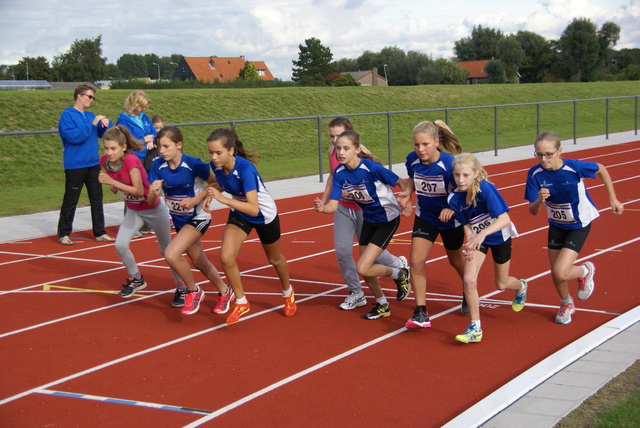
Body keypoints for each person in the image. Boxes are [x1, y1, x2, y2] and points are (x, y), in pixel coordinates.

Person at [524, 131, 624, 324]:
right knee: (556, 273)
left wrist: (613, 198)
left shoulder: (574, 167)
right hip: (556, 223)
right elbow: (532, 211)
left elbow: (601, 169)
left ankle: (585, 271)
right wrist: (539, 200)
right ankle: (566, 303)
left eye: (548, 154)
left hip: (579, 223)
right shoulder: (534, 174)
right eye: (538, 154)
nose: (543, 159)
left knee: (561, 271)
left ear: (559, 151)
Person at [314, 130, 411, 320]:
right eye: (338, 148)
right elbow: (334, 205)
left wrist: (407, 200)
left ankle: (399, 273)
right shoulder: (340, 173)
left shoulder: (372, 168)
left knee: (363, 267)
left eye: (346, 148)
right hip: (369, 219)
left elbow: (401, 182)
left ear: (357, 150)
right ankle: (382, 304)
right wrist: (322, 208)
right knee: (365, 267)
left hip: (387, 219)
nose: (341, 152)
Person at [204, 127, 296, 325]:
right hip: (240, 213)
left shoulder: (246, 169)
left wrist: (223, 200)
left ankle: (288, 293)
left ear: (230, 150)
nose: (213, 157)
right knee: (226, 257)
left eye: (218, 153)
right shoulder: (218, 167)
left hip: (263, 215)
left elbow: (254, 208)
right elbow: (221, 182)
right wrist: (203, 197)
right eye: (210, 152)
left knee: (275, 258)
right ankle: (241, 301)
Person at [147, 126, 233, 315]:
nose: (162, 151)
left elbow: (218, 183)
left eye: (166, 146)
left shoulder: (193, 164)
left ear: (179, 145)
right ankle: (225, 291)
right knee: (199, 261)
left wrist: (196, 199)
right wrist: (153, 193)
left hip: (198, 217)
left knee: (170, 254)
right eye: (159, 147)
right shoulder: (157, 166)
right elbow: (150, 200)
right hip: (179, 220)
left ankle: (193, 290)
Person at [447, 153, 527, 343]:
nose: (460, 179)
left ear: (476, 174)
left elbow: (504, 219)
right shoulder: (453, 198)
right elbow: (465, 223)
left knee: (501, 284)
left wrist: (482, 234)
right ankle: (476, 328)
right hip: (478, 240)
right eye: (457, 175)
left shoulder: (486, 189)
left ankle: (521, 286)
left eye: (465, 175)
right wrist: (470, 241)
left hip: (500, 236)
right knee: (468, 279)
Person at [98, 126, 184, 297]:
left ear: (123, 147)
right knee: (120, 244)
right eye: (106, 148)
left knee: (166, 250)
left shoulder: (130, 160)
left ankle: (182, 287)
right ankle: (136, 278)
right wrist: (116, 185)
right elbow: (121, 181)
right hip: (134, 210)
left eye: (113, 148)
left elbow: (138, 190)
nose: (109, 152)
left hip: (153, 208)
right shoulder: (104, 162)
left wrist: (113, 183)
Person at [396, 120, 466, 329]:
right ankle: (421, 312)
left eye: (425, 144)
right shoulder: (413, 159)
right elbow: (412, 179)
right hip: (425, 216)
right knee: (416, 261)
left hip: (450, 219)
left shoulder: (449, 165)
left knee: (455, 260)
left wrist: (452, 208)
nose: (420, 149)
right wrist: (408, 194)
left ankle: (469, 286)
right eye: (417, 145)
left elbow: (465, 192)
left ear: (436, 142)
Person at [57, 84, 115, 245]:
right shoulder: (67, 115)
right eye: (89, 96)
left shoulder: (90, 115)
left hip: (92, 163)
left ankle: (100, 232)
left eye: (93, 97)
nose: (91, 100)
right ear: (79, 96)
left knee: (97, 198)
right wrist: (93, 123)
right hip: (75, 165)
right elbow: (75, 137)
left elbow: (102, 134)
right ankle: (64, 233)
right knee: (71, 199)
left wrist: (105, 122)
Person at [117, 90, 158, 235]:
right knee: (133, 190)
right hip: (133, 157)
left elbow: (153, 131)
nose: (143, 109)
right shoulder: (123, 120)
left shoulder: (144, 117)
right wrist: (143, 140)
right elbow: (126, 138)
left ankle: (145, 224)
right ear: (134, 103)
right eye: (141, 106)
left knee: (146, 189)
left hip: (146, 157)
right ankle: (130, 226)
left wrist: (151, 138)